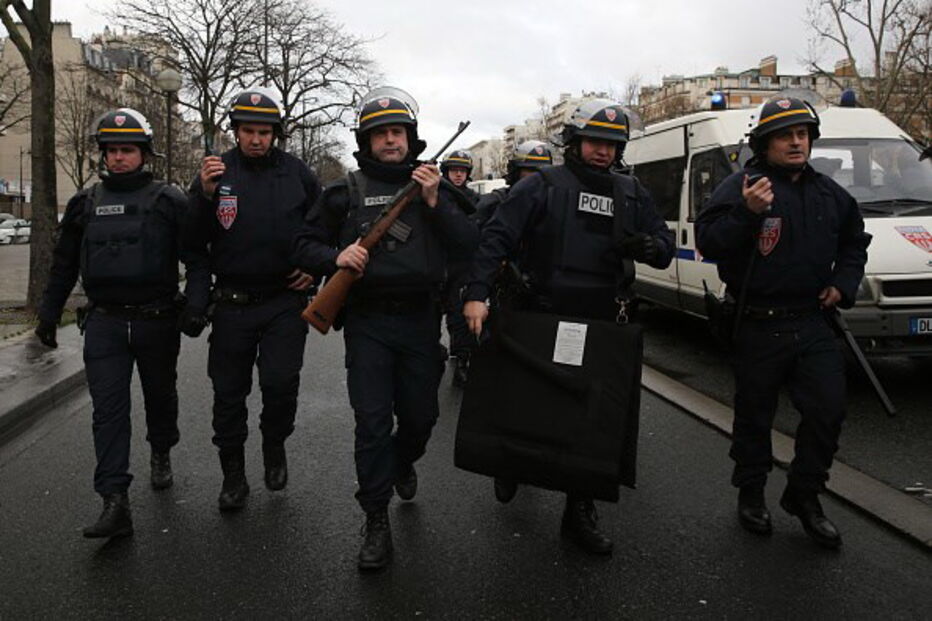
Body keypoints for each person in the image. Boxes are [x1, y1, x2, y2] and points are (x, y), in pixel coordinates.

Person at [462, 98, 674, 555]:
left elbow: (665, 246)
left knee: (593, 421)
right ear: (574, 142)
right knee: (530, 404)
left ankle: (580, 511)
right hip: (540, 313)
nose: (603, 151)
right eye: (596, 141)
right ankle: (512, 464)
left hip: (603, 320)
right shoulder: (541, 186)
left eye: (613, 144)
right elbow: (495, 237)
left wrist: (651, 245)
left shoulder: (631, 193)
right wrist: (476, 293)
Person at [292, 86, 478, 571]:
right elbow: (303, 245)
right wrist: (336, 257)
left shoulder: (437, 188)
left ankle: (402, 462)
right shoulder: (344, 192)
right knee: (371, 423)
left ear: (410, 137)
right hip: (369, 324)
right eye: (380, 134)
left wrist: (436, 200)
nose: (390, 141)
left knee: (420, 419)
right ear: (366, 141)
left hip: (420, 322)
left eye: (397, 132)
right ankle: (375, 518)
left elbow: (469, 246)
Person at [695, 96, 870, 549]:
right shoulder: (742, 186)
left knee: (828, 411)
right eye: (784, 136)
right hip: (758, 324)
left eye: (802, 135)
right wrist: (746, 215)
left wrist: (843, 283)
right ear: (764, 143)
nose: (796, 143)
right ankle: (752, 493)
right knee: (755, 417)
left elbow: (855, 241)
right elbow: (710, 242)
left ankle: (805, 494)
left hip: (813, 322)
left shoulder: (831, 194)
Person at [35, 108, 201, 539]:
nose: (119, 158)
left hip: (157, 320)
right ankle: (114, 500)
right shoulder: (85, 204)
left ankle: (161, 449)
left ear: (144, 154)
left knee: (159, 398)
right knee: (108, 412)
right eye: (112, 151)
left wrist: (198, 306)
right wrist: (49, 315)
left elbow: (197, 258)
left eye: (127, 150)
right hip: (105, 323)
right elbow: (64, 264)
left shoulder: (169, 201)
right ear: (103, 155)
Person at [185, 89, 320, 512]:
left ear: (276, 133)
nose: (256, 139)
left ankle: (274, 443)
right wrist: (204, 197)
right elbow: (191, 241)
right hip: (231, 303)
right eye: (248, 131)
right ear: (236, 131)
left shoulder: (298, 173)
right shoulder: (215, 172)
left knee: (280, 383)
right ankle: (233, 475)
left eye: (264, 132)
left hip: (285, 300)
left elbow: (324, 226)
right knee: (228, 394)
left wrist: (316, 267)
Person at [439, 149, 480, 386]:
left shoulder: (474, 199)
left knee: (459, 317)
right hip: (436, 264)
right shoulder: (435, 194)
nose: (458, 175)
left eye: (462, 171)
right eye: (453, 170)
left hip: (461, 267)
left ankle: (462, 359)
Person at [474, 140, 553, 229]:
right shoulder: (493, 204)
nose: (536, 177)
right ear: (516, 172)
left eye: (541, 172)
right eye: (530, 170)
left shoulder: (553, 205)